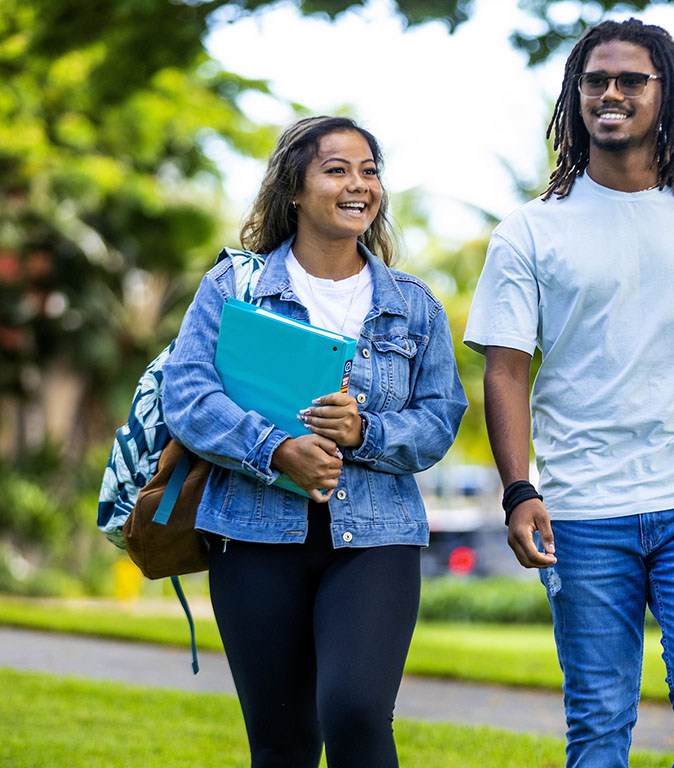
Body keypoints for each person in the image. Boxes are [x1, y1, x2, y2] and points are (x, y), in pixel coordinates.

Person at [464, 19, 674, 768]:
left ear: (667, 94)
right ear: (574, 97)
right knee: (599, 721)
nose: (609, 94)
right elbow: (506, 370)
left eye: (630, 81)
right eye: (594, 81)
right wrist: (519, 489)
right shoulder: (530, 230)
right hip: (584, 509)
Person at [163, 115, 467, 768]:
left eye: (369, 170)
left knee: (355, 712)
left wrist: (365, 432)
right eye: (337, 169)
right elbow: (187, 397)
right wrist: (275, 450)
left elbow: (440, 417)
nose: (359, 185)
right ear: (294, 189)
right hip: (252, 537)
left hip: (376, 540)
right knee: (282, 744)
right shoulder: (232, 288)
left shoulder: (415, 306)